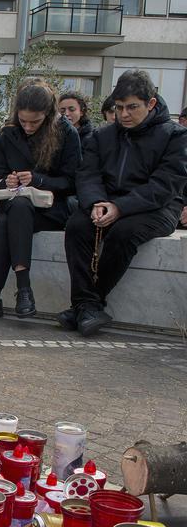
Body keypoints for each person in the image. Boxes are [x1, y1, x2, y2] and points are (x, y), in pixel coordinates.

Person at [59, 70, 187, 336]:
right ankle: (87, 306)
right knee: (77, 226)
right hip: (107, 202)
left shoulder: (175, 136)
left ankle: (87, 304)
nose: (124, 114)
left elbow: (165, 185)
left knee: (123, 233)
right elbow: (88, 173)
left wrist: (121, 207)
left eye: (132, 107)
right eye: (119, 108)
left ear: (151, 104)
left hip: (158, 208)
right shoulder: (103, 136)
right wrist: (96, 201)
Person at [0, 82, 81, 320]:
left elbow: (73, 181)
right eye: (23, 120)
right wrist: (7, 181)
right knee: (12, 212)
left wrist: (38, 180)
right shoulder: (8, 134)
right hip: (16, 203)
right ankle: (22, 289)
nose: (27, 127)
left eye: (34, 122)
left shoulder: (67, 133)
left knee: (7, 220)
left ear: (47, 116)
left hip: (52, 207)